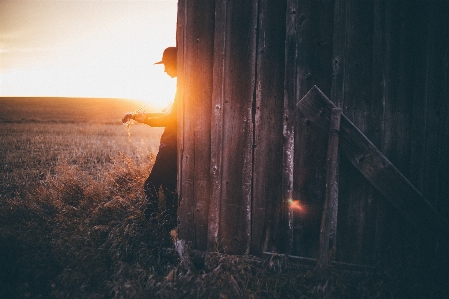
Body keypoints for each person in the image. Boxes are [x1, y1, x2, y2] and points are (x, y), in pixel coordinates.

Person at [125, 47, 178, 228]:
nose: (165, 70)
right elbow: (170, 115)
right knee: (170, 187)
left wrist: (145, 119)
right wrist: (138, 117)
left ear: (176, 64)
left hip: (171, 146)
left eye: (167, 65)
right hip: (173, 145)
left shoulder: (185, 90)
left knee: (151, 184)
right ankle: (170, 224)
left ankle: (150, 224)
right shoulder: (183, 88)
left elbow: (173, 118)